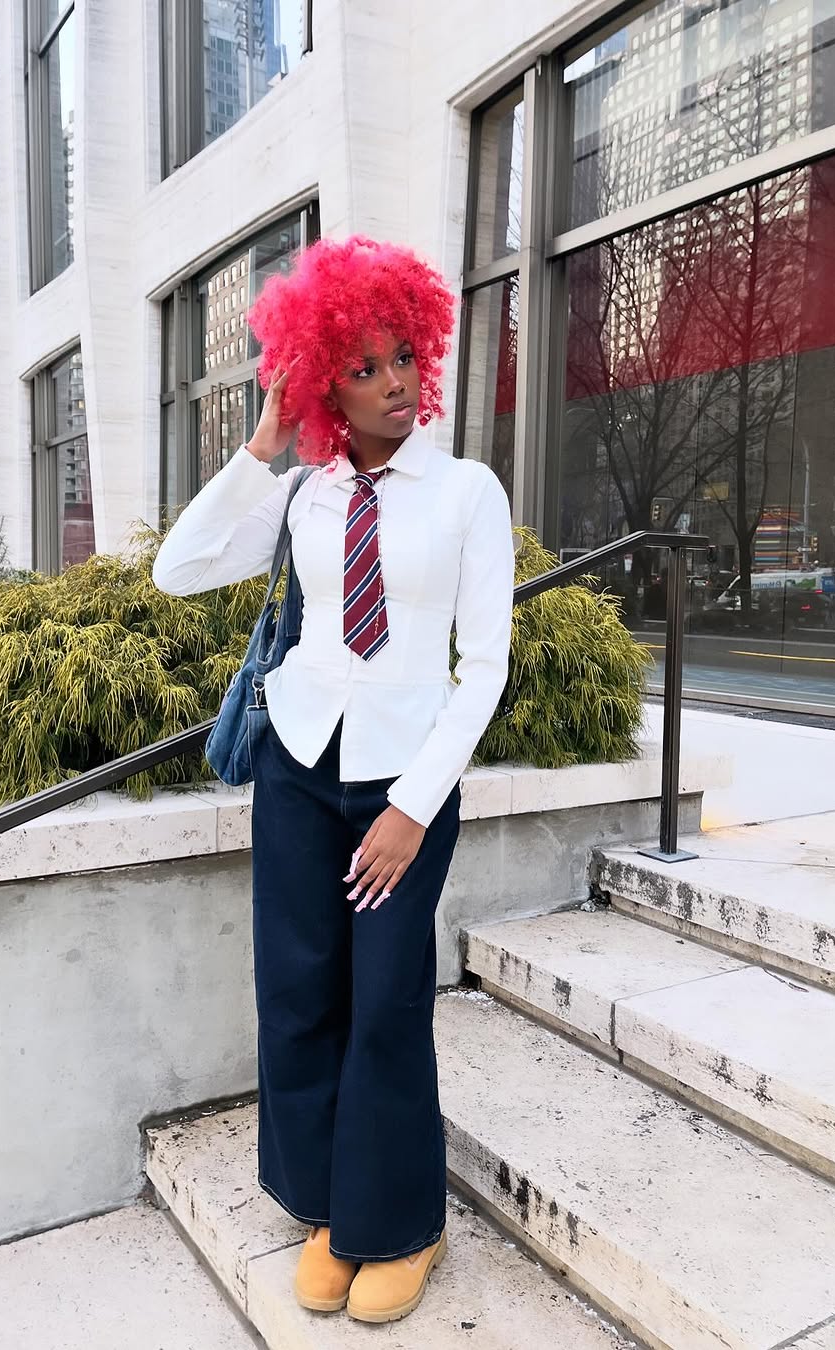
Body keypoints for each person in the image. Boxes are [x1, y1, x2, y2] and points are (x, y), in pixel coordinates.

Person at [152, 235, 514, 1324]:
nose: (395, 382)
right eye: (361, 367)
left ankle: (400, 1225)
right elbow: (178, 569)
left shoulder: (467, 492)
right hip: (300, 767)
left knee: (387, 1001)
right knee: (299, 990)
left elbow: (484, 668)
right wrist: (262, 446)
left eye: (403, 356)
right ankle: (322, 1207)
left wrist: (413, 808)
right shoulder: (306, 492)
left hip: (405, 778)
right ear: (323, 383)